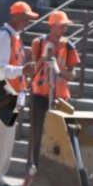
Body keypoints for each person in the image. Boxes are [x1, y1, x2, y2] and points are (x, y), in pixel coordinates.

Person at [0, 1, 37, 186]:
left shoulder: (14, 37)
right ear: (15, 17)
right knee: (2, 137)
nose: (27, 22)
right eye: (25, 18)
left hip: (12, 95)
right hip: (6, 95)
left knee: (6, 138)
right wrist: (23, 69)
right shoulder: (5, 37)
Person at [28, 10, 80, 171]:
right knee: (38, 132)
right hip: (40, 95)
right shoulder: (39, 43)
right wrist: (45, 56)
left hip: (60, 96)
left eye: (65, 27)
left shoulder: (69, 46)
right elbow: (32, 70)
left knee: (61, 133)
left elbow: (72, 74)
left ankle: (57, 167)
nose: (63, 30)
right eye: (61, 26)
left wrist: (60, 71)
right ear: (52, 26)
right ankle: (36, 166)